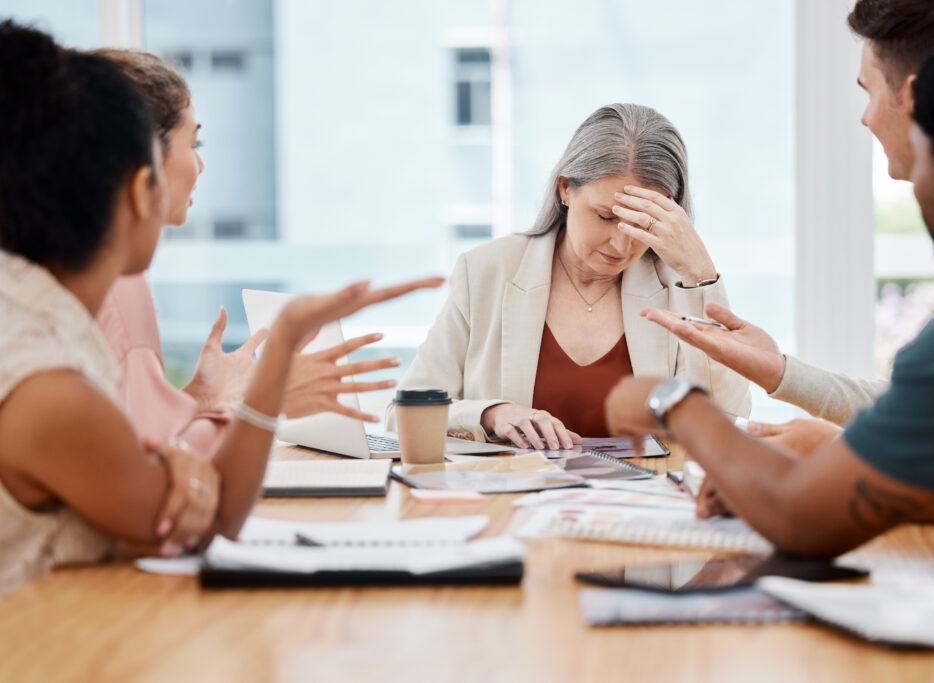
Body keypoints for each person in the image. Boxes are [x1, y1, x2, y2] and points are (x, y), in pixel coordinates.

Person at [0, 21, 442, 596]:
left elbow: (134, 470)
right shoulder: (48, 388)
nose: (200, 167)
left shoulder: (32, 325)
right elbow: (213, 519)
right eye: (194, 146)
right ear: (141, 191)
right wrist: (281, 345)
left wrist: (173, 452)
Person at [606, 18, 934, 557]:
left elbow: (796, 517)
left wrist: (674, 402)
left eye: (923, 152)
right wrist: (835, 462)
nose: (912, 182)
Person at [639, 0, 934, 436]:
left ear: (915, 98)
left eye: (868, 90)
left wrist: (835, 457)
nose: (865, 117)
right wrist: (781, 372)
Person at [387, 104, 750, 449]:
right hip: (513, 506)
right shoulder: (486, 271)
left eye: (641, 223)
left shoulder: (681, 286)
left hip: (644, 502)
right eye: (606, 217)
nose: (621, 244)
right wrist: (490, 414)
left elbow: (729, 415)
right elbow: (401, 416)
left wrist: (700, 274)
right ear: (565, 189)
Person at [93, 49, 389, 457]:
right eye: (193, 143)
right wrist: (262, 402)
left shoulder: (85, 267)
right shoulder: (114, 280)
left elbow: (131, 432)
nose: (200, 165)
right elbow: (154, 472)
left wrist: (201, 396)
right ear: (145, 162)